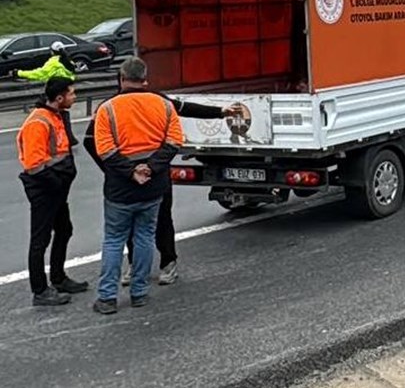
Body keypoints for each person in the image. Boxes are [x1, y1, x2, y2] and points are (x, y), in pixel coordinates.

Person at [84, 58, 241, 288]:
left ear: (121, 78)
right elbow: (184, 114)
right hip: (157, 175)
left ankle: (134, 269)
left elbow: (90, 142)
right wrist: (220, 112)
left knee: (125, 226)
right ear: (145, 80)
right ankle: (168, 264)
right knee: (161, 221)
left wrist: (115, 170)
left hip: (123, 177)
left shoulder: (107, 107)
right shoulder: (160, 101)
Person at [17, 76, 89, 306]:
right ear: (59, 98)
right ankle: (40, 291)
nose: (74, 97)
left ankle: (58, 278)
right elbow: (34, 165)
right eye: (71, 93)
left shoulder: (56, 116)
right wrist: (57, 184)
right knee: (40, 239)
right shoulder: (39, 122)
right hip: (45, 189)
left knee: (64, 230)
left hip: (56, 189)